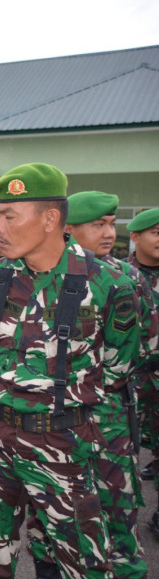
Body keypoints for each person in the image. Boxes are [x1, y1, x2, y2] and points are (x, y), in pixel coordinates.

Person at [0, 163, 137, 579]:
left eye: (9, 216)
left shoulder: (108, 283)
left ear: (49, 220)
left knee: (88, 569)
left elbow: (120, 365)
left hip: (62, 444)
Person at [15, 190, 154, 579]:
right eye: (98, 224)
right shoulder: (35, 275)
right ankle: (49, 576)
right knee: (46, 501)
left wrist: (83, 385)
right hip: (51, 419)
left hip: (105, 419)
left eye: (112, 223)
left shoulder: (126, 278)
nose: (110, 232)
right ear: (66, 228)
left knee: (113, 504)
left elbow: (141, 349)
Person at [126, 207, 159, 537]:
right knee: (125, 447)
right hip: (132, 378)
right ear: (135, 237)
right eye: (156, 232)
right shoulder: (121, 276)